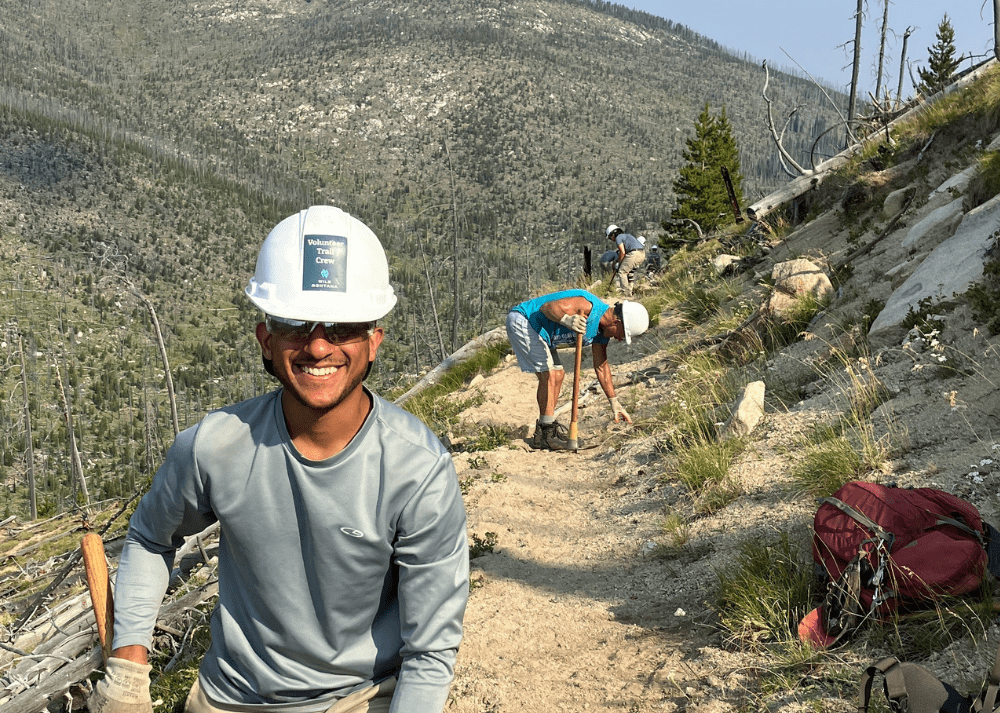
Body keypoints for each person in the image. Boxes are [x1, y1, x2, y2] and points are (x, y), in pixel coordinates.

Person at [89, 206, 469, 713]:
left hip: (355, 699)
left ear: (373, 340)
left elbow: (429, 653)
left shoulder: (417, 471)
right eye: (294, 323)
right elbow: (152, 536)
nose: (317, 345)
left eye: (343, 326)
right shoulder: (214, 446)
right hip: (228, 700)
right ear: (265, 339)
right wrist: (128, 670)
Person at [505, 289, 650, 450]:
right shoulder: (586, 305)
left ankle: (545, 431)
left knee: (558, 375)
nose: (619, 339)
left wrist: (614, 402)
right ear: (616, 323)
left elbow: (601, 366)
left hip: (543, 333)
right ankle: (547, 433)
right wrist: (567, 319)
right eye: (622, 335)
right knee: (550, 375)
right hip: (524, 321)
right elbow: (547, 307)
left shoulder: (602, 333)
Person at [605, 224, 646, 297]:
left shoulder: (618, 238)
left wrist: (618, 262)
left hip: (634, 254)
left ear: (613, 234)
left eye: (610, 237)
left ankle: (625, 293)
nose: (611, 239)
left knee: (622, 272)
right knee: (630, 273)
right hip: (642, 254)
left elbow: (622, 252)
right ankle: (629, 292)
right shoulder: (627, 236)